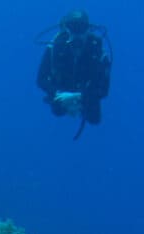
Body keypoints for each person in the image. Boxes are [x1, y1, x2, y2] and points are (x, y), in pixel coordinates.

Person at [37, 10, 112, 139]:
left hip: (87, 91)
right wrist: (57, 94)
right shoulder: (56, 47)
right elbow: (41, 79)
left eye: (81, 28)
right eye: (73, 27)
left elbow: (103, 89)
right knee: (58, 111)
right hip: (61, 90)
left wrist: (78, 96)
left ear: (88, 29)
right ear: (66, 28)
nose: (77, 33)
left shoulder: (97, 51)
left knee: (94, 119)